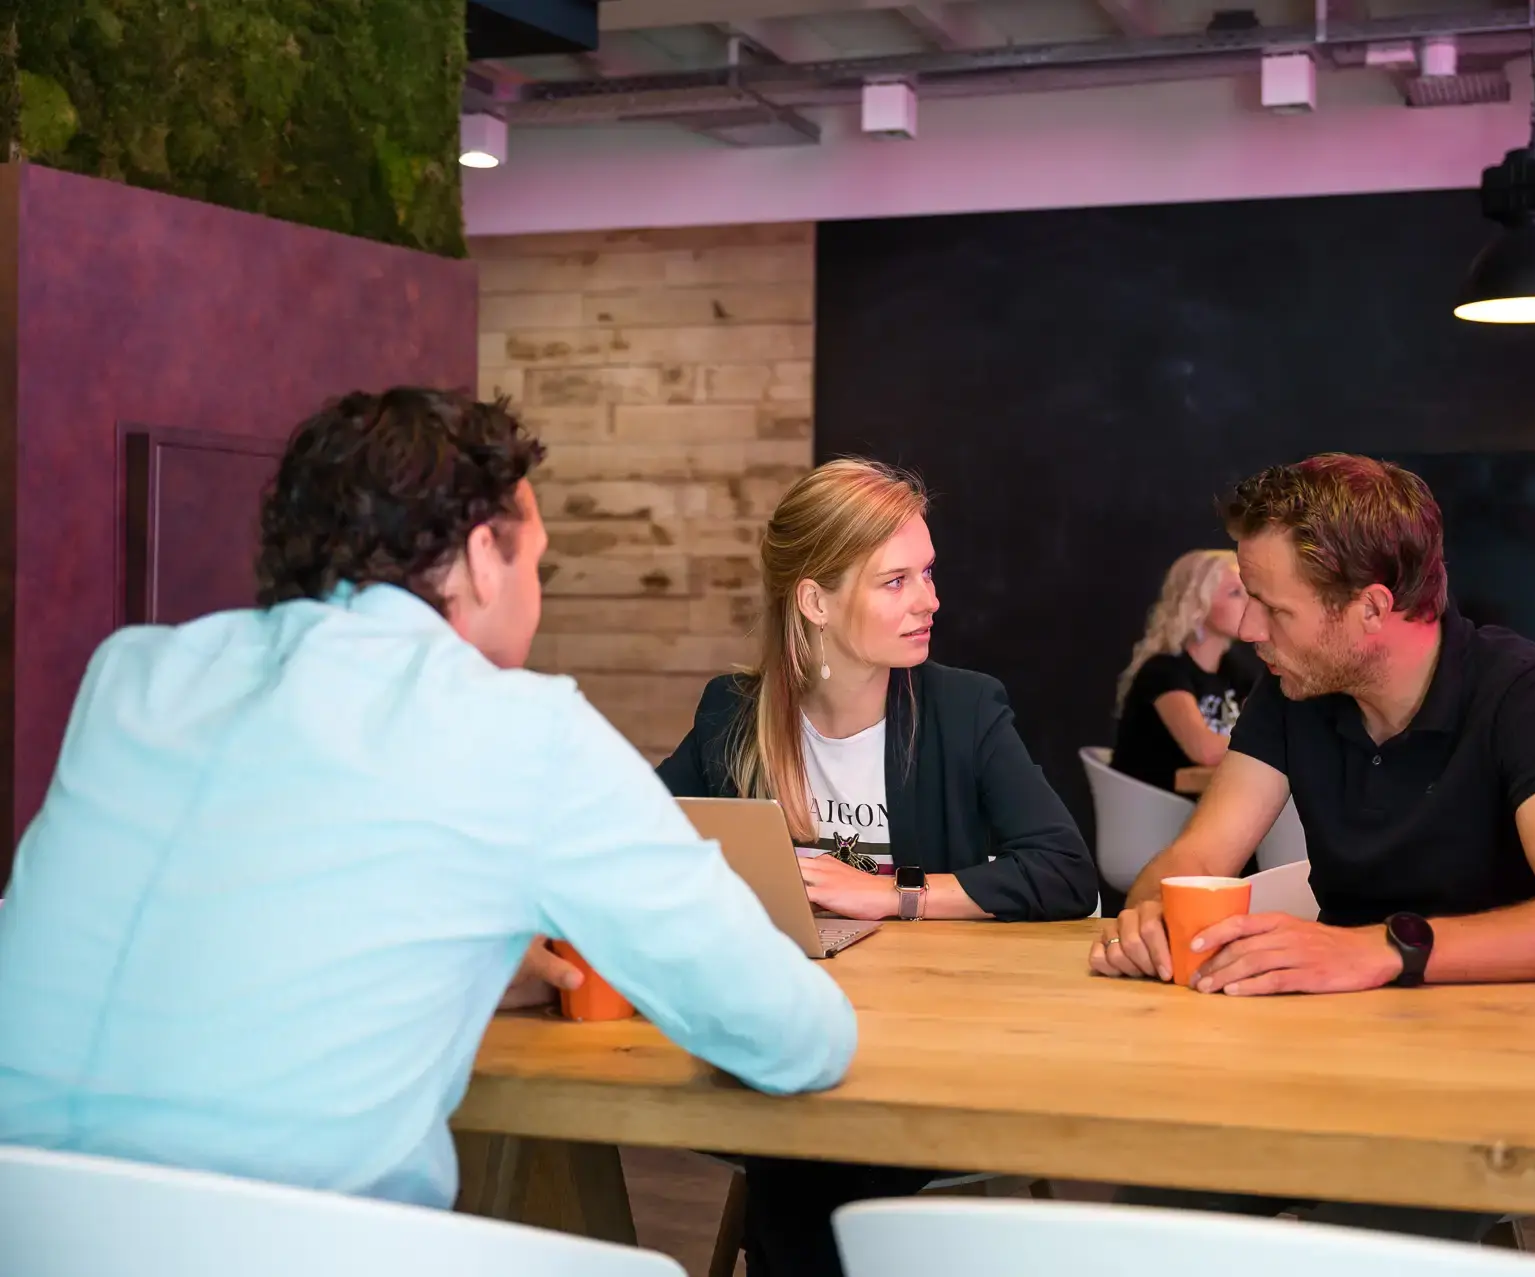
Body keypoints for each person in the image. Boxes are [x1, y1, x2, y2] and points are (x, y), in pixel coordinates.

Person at [0, 389, 855, 1208]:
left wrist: (465, 954)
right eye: (539, 561)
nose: (539, 593)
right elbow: (790, 1035)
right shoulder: (515, 725)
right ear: (485, 556)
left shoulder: (136, 674)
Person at [1088, 453, 1535, 1239]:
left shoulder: (1519, 690)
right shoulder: (1291, 694)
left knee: (1370, 1237)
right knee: (1150, 1222)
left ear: (1370, 607)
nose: (1251, 630)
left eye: (1271, 608)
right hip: (1331, 1043)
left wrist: (1383, 950)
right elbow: (1198, 855)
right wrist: (1150, 913)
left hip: (1495, 1057)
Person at [658, 456, 1095, 1277]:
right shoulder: (734, 714)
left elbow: (1066, 872)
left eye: (927, 574)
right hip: (783, 1032)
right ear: (815, 601)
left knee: (808, 1151)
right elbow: (645, 837)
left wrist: (894, 896)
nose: (930, 600)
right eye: (896, 581)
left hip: (933, 1049)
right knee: (801, 1129)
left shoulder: (966, 711)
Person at [1110, 549, 1256, 793]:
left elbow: (1271, 728)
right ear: (1197, 604)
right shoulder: (1163, 671)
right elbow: (1206, 751)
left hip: (1204, 803)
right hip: (1153, 811)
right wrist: (1270, 746)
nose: (1250, 602)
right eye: (1234, 593)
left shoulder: (1235, 671)